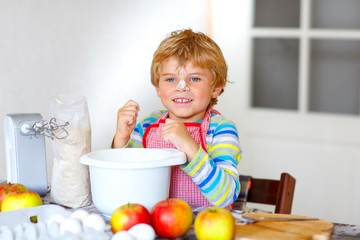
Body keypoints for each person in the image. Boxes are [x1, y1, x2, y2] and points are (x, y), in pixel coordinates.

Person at [113, 29, 241, 208]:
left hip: (204, 230)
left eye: (194, 79)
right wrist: (121, 138)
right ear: (158, 88)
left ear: (216, 88)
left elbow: (225, 196)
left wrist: (189, 146)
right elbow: (125, 182)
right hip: (155, 227)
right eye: (171, 79)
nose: (182, 87)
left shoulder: (221, 129)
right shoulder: (147, 126)